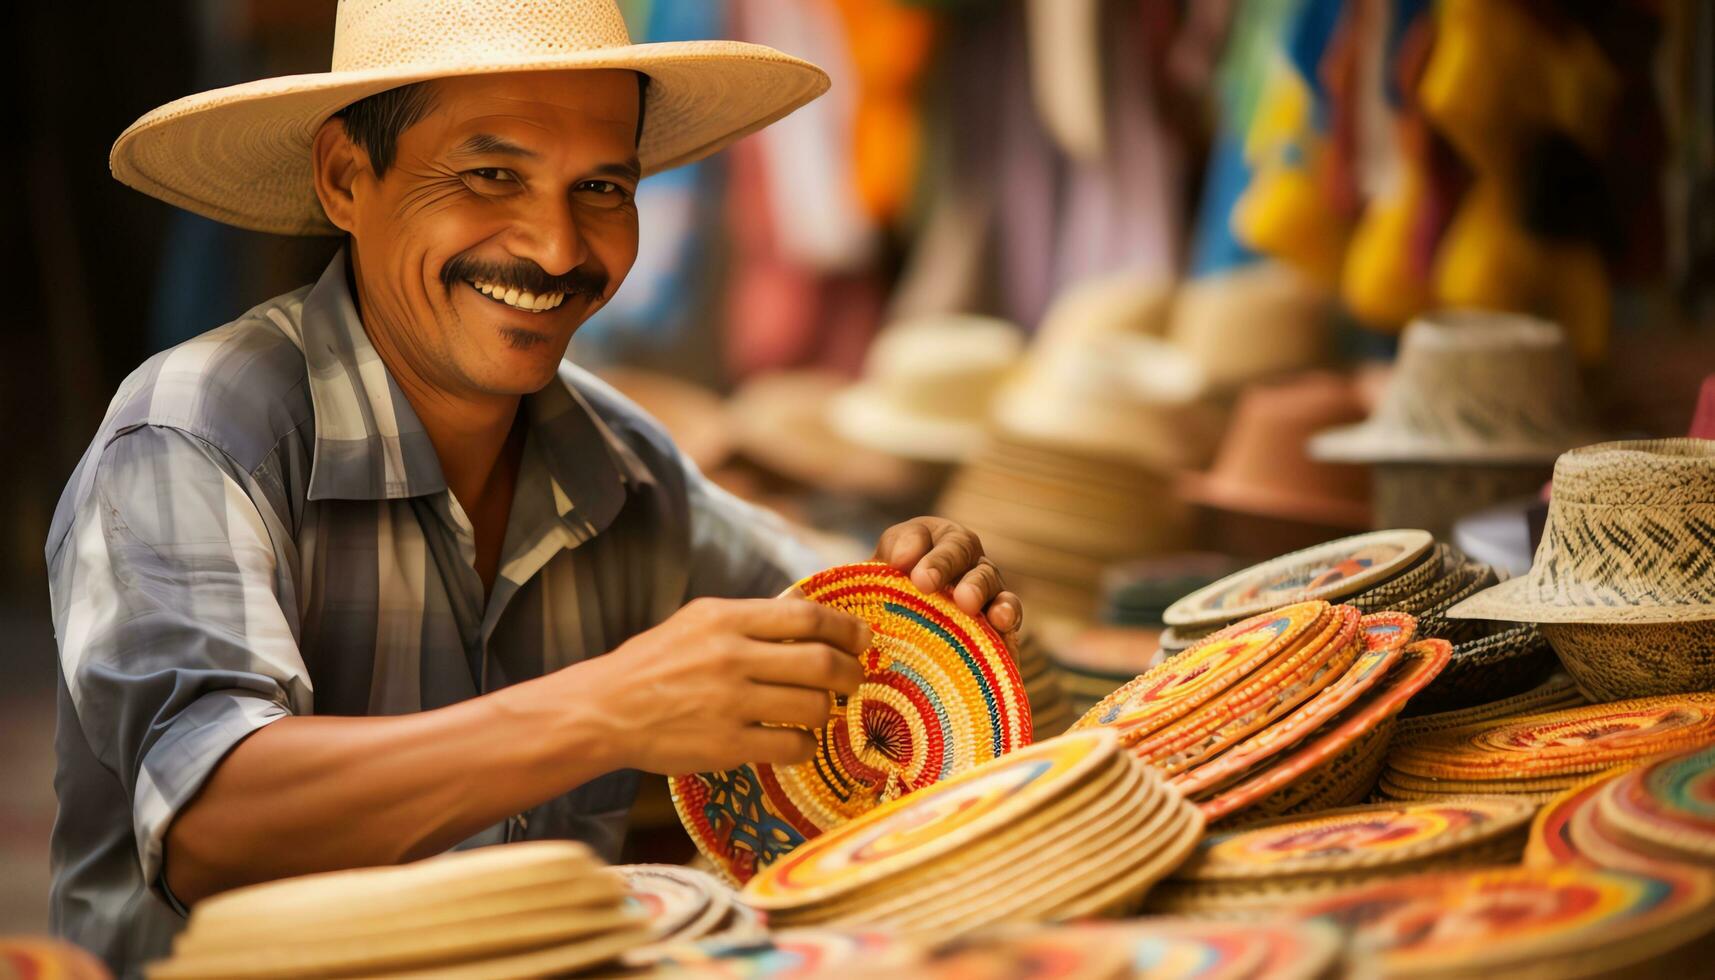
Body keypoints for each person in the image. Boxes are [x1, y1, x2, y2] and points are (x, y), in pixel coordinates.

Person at [46, 2, 1023, 973]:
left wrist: (921, 609)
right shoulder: (193, 431)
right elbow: (212, 821)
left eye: (601, 186)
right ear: (347, 177)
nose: (557, 248)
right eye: (490, 175)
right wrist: (609, 707)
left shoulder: (620, 465)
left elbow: (845, 620)